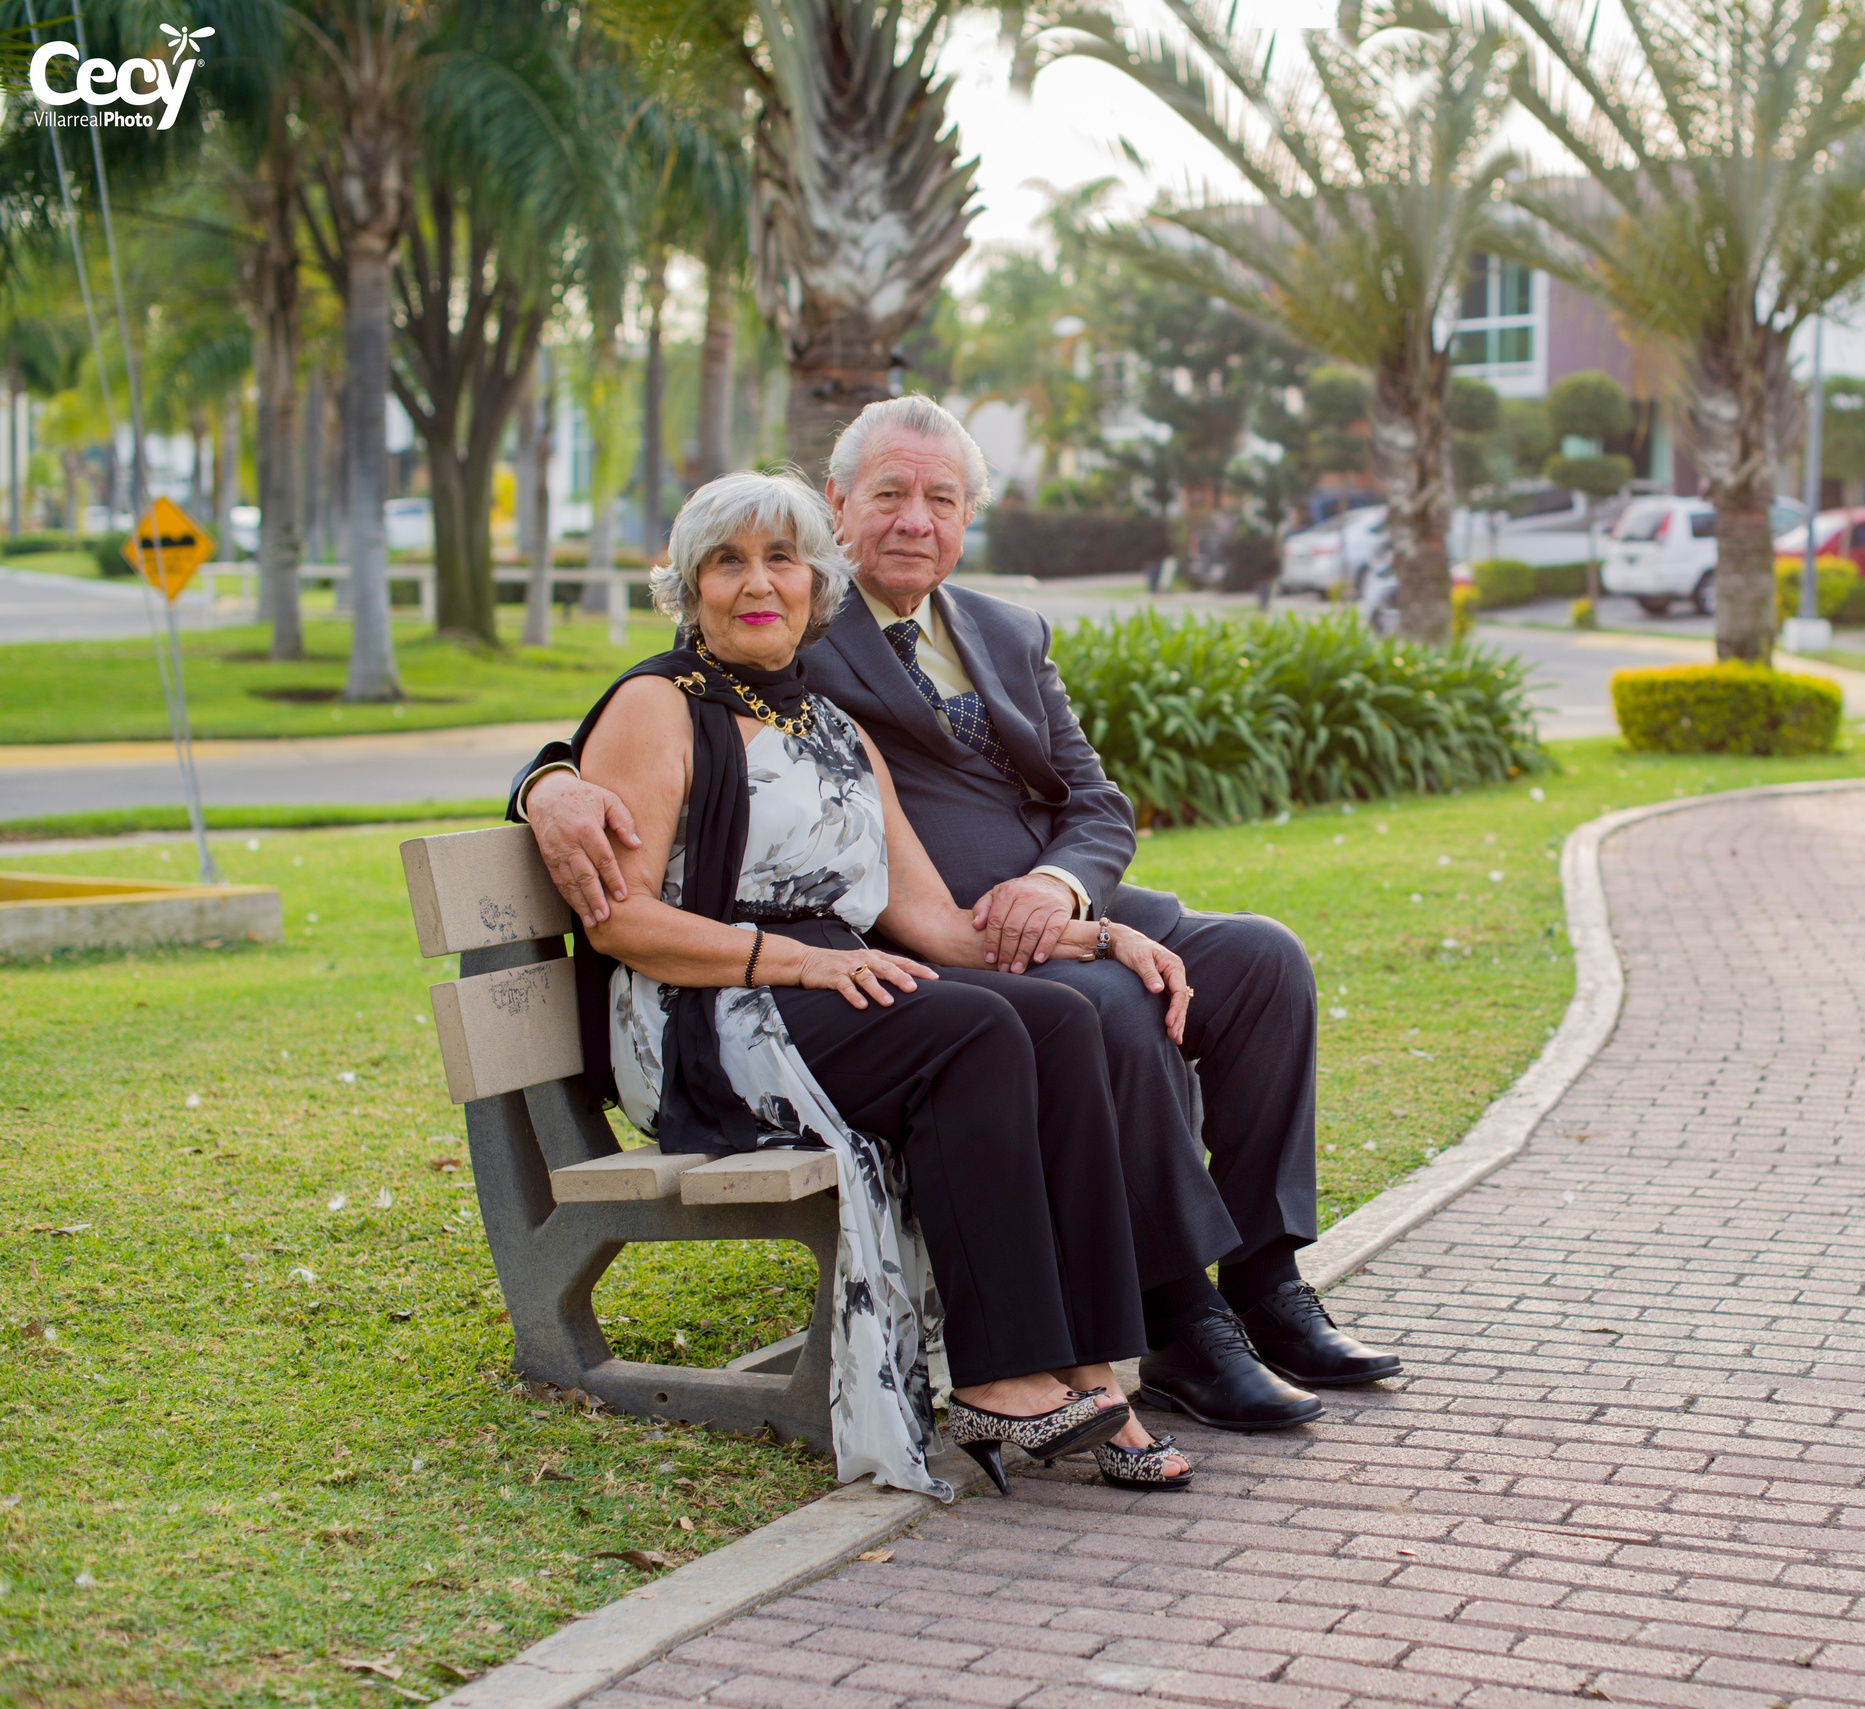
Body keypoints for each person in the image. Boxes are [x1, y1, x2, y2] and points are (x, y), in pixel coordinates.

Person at [513, 397, 1400, 1433]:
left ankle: (1265, 1281)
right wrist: (546, 782)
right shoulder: (791, 612)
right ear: (837, 504)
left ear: (969, 514)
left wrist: (1066, 892)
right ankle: (1178, 1319)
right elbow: (654, 702)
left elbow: (1095, 800)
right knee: (1107, 1008)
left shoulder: (1003, 631)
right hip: (924, 939)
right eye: (888, 493)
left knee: (1262, 960)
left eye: (941, 498)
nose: (915, 519)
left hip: (1043, 911)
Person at [566, 469, 1194, 1497]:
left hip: (834, 987)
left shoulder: (835, 727)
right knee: (972, 1033)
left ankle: (1086, 1365)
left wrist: (1101, 936)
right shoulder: (654, 706)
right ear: (688, 588)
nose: (757, 583)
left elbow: (937, 926)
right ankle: (995, 1376)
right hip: (708, 1009)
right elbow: (620, 920)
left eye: (781, 559)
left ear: (817, 582)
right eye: (726, 562)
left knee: (1056, 1018)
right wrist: (805, 959)